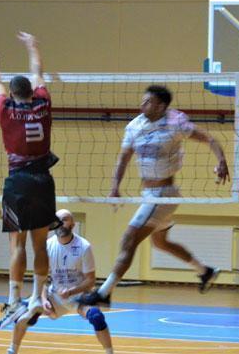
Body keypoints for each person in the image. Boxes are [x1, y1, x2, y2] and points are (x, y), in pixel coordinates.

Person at [79, 85, 229, 307]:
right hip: (149, 194)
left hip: (163, 195)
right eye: (143, 100)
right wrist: (115, 187)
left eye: (148, 102)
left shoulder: (175, 122)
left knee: (128, 239)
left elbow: (210, 139)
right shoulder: (135, 126)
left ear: (161, 106)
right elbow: (123, 158)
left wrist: (221, 161)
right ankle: (204, 271)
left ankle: (104, 293)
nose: (142, 104)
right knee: (161, 243)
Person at [0, 32, 60, 329]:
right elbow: (38, 73)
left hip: (18, 183)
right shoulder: (43, 104)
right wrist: (32, 46)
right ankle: (37, 297)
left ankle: (14, 300)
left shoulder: (5, 109)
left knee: (17, 245)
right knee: (41, 245)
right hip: (43, 181)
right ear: (32, 92)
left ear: (12, 94)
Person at [7, 209, 113, 354]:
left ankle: (110, 352)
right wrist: (43, 299)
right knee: (22, 313)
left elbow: (90, 281)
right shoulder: (47, 245)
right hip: (54, 297)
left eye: (64, 220)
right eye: (57, 220)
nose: (60, 224)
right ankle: (12, 350)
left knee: (96, 317)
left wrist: (71, 291)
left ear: (73, 224)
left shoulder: (84, 246)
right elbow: (42, 277)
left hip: (79, 297)